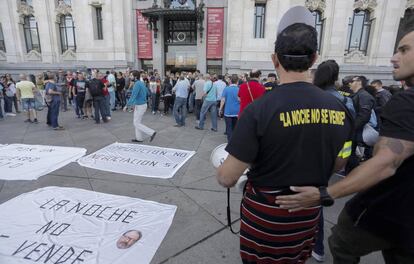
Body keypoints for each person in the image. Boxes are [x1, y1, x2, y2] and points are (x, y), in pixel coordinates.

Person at [216, 6, 353, 264]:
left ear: (274, 59)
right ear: (314, 59)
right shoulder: (340, 109)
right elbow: (341, 161)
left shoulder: (259, 110)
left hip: (265, 218)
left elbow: (226, 177)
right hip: (307, 213)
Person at [275, 27, 414, 264]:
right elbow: (347, 140)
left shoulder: (405, 102)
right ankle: (314, 245)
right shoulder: (345, 100)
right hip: (334, 164)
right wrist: (339, 160)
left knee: (338, 241)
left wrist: (325, 191)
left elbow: (386, 163)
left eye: (404, 49)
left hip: (381, 207)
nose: (393, 57)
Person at [345, 75, 376, 173]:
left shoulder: (364, 96)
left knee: (350, 155)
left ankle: (353, 175)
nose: (349, 83)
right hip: (352, 130)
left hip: (354, 131)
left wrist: (351, 129)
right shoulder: (356, 95)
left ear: (359, 82)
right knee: (349, 155)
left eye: (352, 81)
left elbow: (364, 116)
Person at [123, 70, 156, 143]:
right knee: (137, 122)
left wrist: (127, 105)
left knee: (136, 123)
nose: (130, 76)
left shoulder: (137, 84)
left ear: (135, 77)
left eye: (131, 75)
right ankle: (139, 138)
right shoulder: (140, 83)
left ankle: (151, 132)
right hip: (141, 105)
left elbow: (133, 96)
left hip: (140, 106)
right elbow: (147, 92)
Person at [219, 74, 240, 142]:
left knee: (229, 128)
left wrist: (220, 108)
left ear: (230, 81)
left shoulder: (226, 89)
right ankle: (234, 141)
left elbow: (223, 99)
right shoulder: (239, 89)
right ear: (237, 81)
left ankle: (230, 142)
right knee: (235, 128)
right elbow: (240, 100)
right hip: (237, 111)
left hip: (228, 111)